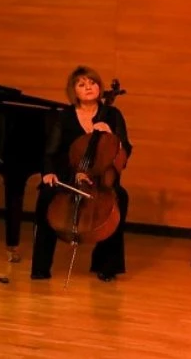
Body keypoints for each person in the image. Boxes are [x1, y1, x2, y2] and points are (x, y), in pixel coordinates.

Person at [31, 66, 132, 282]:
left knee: (120, 198)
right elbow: (51, 152)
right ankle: (41, 266)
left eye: (92, 83)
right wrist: (50, 172)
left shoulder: (112, 115)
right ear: (73, 91)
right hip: (69, 176)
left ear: (99, 87)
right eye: (82, 84)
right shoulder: (65, 117)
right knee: (47, 196)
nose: (88, 87)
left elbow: (125, 151)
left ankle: (106, 264)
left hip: (101, 180)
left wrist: (111, 135)